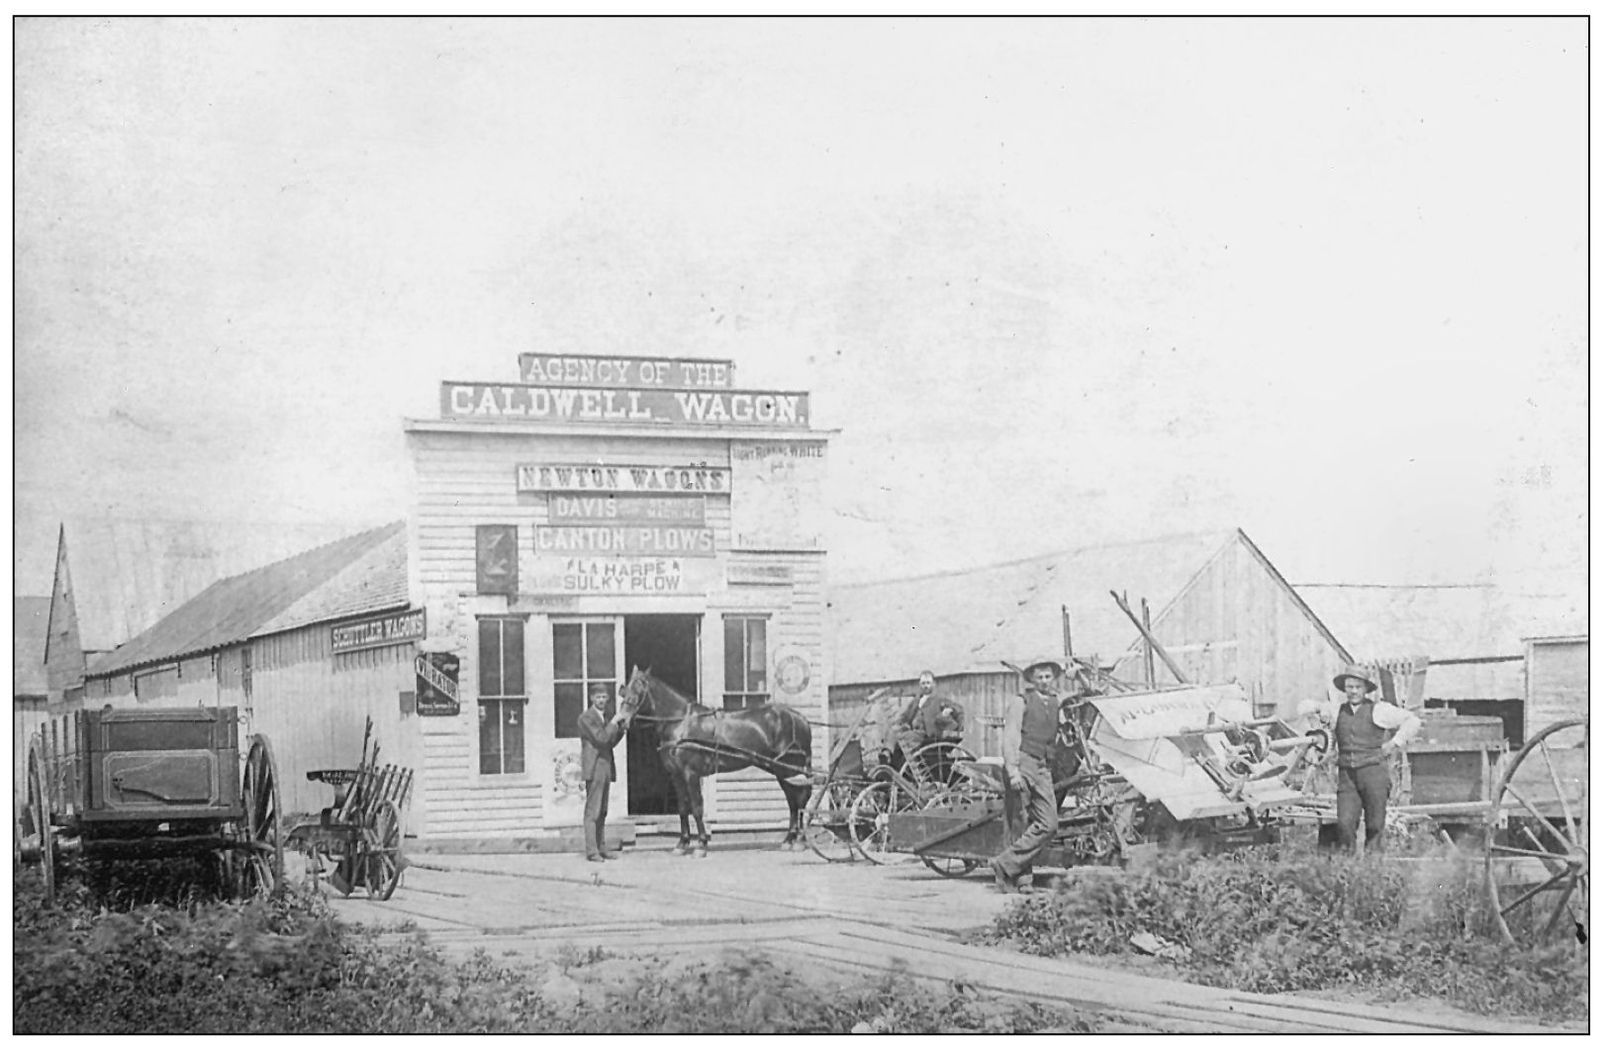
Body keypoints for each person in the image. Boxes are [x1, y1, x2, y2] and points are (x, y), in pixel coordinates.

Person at [1322, 664, 1421, 853]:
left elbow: (1413, 721)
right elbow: (1311, 711)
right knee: (1344, 825)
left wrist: (1393, 744)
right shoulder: (1337, 711)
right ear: (1344, 688)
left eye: (1358, 687)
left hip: (1373, 774)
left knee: (1375, 826)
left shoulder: (1379, 710)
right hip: (1347, 777)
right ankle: (1347, 872)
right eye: (1349, 687)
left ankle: (1372, 871)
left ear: (1366, 689)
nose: (1353, 691)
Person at [990, 659, 1067, 894]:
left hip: (1043, 767)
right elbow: (1011, 737)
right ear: (1032, 680)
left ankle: (1003, 863)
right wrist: (1012, 771)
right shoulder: (1020, 702)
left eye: (1048, 677)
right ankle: (1024, 881)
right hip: (1023, 763)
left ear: (1053, 679)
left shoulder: (1056, 702)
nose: (1044, 681)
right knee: (1019, 823)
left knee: (1049, 823)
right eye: (1040, 677)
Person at [578, 682, 631, 862]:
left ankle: (601, 847)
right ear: (592, 699)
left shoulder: (604, 718)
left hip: (605, 766)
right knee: (593, 811)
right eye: (598, 697)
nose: (601, 700)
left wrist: (622, 729)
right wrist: (615, 722)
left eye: (604, 697)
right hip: (594, 767)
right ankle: (592, 851)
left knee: (603, 810)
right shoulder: (586, 718)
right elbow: (601, 738)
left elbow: (610, 742)